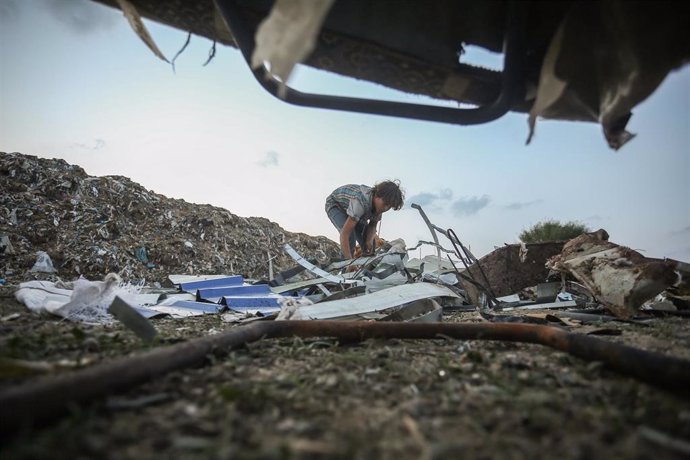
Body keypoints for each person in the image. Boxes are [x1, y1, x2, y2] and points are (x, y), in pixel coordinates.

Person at [325, 180, 404, 259]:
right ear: (377, 195)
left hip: (355, 213)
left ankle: (366, 262)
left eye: (389, 207)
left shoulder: (378, 206)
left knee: (370, 241)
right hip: (336, 205)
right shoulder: (360, 202)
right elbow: (345, 234)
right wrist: (349, 261)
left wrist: (368, 241)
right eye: (385, 204)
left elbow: (372, 226)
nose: (385, 208)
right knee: (350, 237)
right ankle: (345, 265)